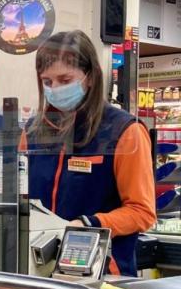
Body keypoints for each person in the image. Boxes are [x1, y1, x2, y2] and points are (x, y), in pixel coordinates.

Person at [24, 30, 155, 276]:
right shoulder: (32, 131)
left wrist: (88, 224)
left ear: (91, 77)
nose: (55, 89)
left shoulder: (124, 130)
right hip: (37, 270)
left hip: (101, 274)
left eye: (65, 80)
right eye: (47, 82)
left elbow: (141, 212)